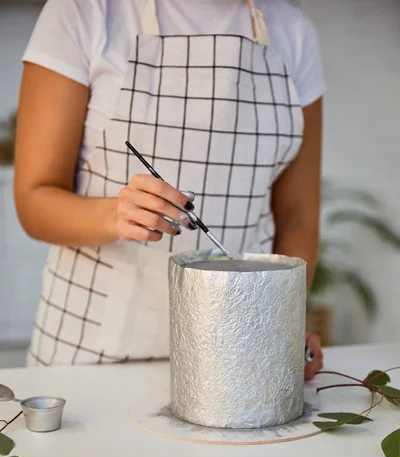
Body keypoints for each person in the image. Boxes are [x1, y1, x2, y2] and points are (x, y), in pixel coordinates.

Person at [14, 0, 324, 379]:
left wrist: (282, 324)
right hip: (87, 358)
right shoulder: (86, 11)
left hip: (232, 358)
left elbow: (298, 218)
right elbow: (33, 201)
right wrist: (114, 214)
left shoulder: (292, 33)